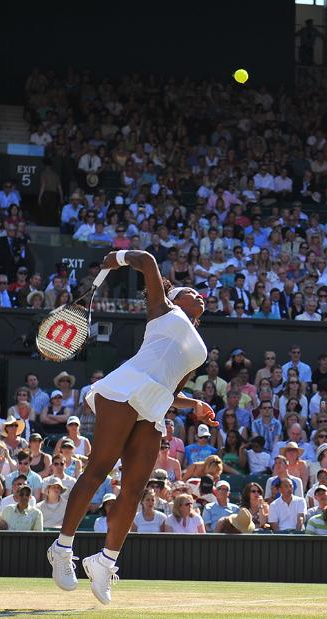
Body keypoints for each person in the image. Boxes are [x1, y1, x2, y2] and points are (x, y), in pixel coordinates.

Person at [48, 249, 213, 605]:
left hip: (153, 403)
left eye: (201, 295)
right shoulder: (163, 311)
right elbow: (148, 261)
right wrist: (117, 258)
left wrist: (194, 404)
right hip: (126, 388)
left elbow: (172, 390)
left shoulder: (199, 349)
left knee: (135, 487)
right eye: (189, 290)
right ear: (173, 297)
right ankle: (62, 548)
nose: (198, 294)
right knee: (99, 469)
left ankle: (104, 562)